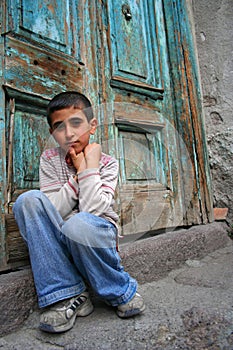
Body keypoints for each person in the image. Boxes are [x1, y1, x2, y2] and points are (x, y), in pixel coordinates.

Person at [13, 91, 145, 333]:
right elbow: (53, 209)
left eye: (76, 123)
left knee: (79, 224)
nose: (69, 133)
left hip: (96, 236)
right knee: (28, 200)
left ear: (92, 125)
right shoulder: (50, 159)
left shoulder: (107, 163)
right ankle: (66, 294)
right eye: (59, 127)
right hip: (61, 239)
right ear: (52, 133)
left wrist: (91, 166)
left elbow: (94, 210)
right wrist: (79, 175)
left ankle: (119, 290)